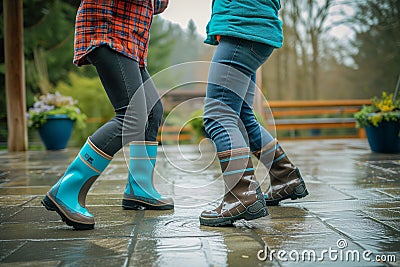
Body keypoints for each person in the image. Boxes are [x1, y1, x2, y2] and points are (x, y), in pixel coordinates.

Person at [41, 0, 173, 230]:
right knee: (131, 118)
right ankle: (66, 190)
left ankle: (139, 188)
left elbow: (158, 5)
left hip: (131, 42)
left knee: (153, 112)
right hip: (107, 31)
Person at [200, 0, 308, 227]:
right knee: (240, 116)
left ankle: (242, 194)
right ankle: (285, 176)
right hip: (255, 29)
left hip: (241, 27)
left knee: (218, 115)